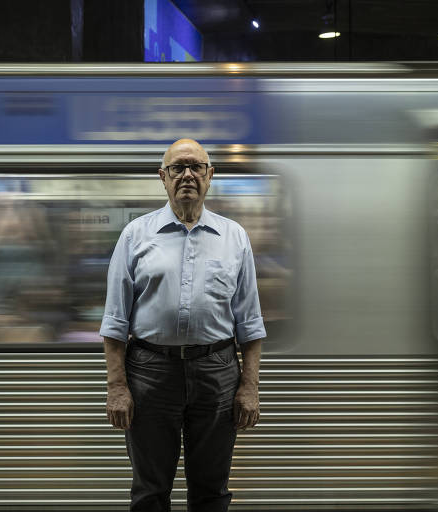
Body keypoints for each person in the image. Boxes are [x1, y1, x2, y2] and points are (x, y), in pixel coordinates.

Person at [99, 138, 265, 511]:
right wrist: (117, 388)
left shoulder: (234, 237)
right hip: (149, 371)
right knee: (150, 490)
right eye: (178, 168)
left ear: (210, 176)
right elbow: (114, 323)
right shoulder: (135, 236)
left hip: (217, 370)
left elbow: (250, 324)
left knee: (212, 491)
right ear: (163, 177)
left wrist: (250, 387)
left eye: (196, 167)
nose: (187, 175)